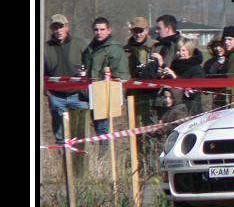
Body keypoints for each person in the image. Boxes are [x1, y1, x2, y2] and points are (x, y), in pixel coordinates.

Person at [81, 17, 130, 142]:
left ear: (109, 30)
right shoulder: (90, 48)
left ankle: (105, 159)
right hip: (92, 94)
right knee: (98, 130)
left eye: (102, 29)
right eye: (96, 29)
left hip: (106, 94)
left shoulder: (114, 49)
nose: (99, 32)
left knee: (103, 132)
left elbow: (121, 75)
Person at [43, 14, 89, 144]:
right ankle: (61, 160)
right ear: (52, 29)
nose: (58, 30)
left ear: (67, 27)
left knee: (79, 133)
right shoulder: (45, 48)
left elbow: (89, 65)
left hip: (77, 95)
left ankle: (79, 159)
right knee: (60, 136)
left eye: (61, 27)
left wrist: (84, 75)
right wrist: (48, 91)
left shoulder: (79, 44)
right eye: (55, 27)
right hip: (56, 97)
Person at [141, 37, 206, 116]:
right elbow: (167, 90)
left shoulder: (197, 69)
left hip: (189, 111)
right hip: (171, 111)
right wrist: (161, 76)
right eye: (178, 50)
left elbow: (192, 92)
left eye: (184, 50)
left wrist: (175, 77)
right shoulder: (174, 66)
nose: (181, 53)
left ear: (190, 52)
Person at [123, 16, 155, 165]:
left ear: (147, 31)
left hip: (152, 96)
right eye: (135, 31)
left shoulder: (155, 47)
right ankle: (139, 164)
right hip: (133, 96)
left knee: (151, 130)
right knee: (135, 131)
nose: (138, 34)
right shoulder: (126, 50)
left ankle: (152, 163)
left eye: (141, 31)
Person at [220, 25, 234, 104]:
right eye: (225, 39)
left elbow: (232, 79)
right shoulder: (231, 55)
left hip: (233, 99)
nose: (226, 42)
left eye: (230, 39)